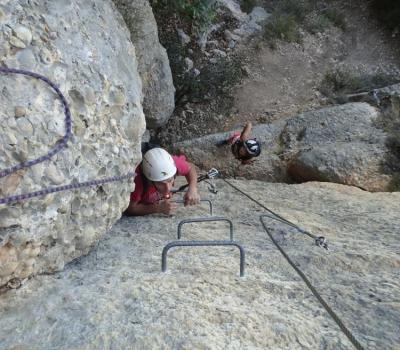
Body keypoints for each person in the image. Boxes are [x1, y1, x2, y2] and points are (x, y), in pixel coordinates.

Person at [124, 148, 200, 216]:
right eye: (161, 183)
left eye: (170, 180)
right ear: (150, 181)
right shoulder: (137, 181)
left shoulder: (170, 165)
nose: (167, 188)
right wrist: (157, 208)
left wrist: (192, 188)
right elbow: (131, 209)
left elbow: (190, 168)